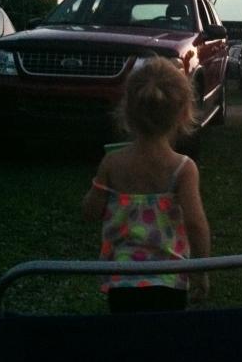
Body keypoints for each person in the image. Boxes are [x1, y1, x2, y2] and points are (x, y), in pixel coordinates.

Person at [82, 56, 211, 313]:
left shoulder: (112, 163)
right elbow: (196, 224)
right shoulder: (183, 169)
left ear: (127, 110)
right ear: (184, 112)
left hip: (122, 279)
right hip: (170, 280)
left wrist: (97, 188)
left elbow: (90, 212)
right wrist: (201, 271)